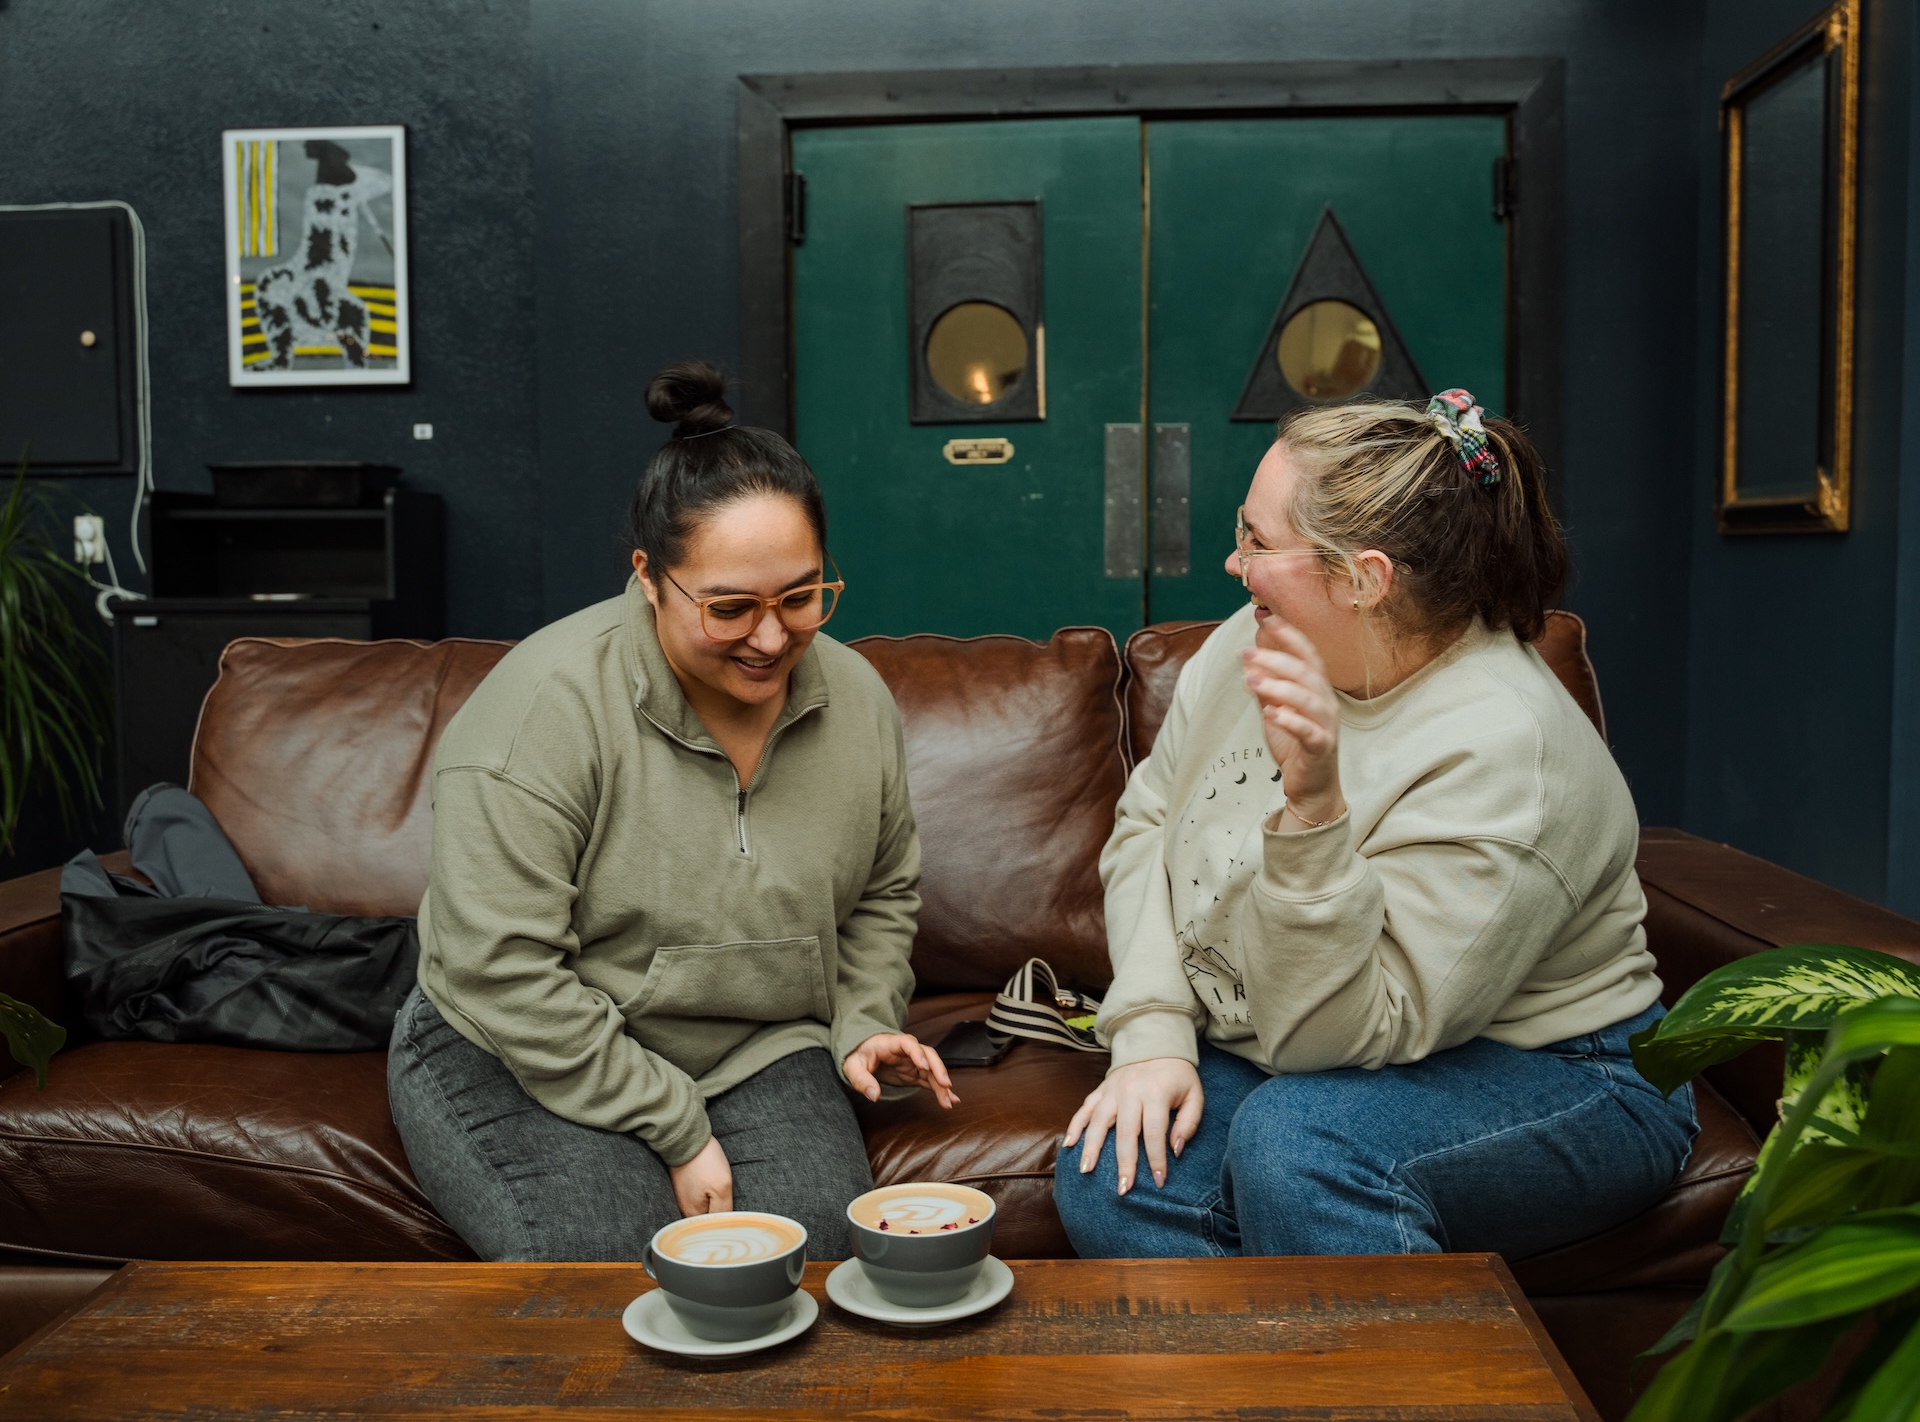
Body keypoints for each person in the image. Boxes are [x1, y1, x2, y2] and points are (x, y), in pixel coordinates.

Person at [1053, 390, 1695, 1261]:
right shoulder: (1253, 639)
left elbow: (1337, 1038)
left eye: (1258, 541)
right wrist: (1153, 1034)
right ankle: (1276, 1389)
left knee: (1304, 1144)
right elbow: (1148, 822)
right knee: (1116, 1168)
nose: (1233, 564)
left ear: (1362, 578)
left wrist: (1313, 809)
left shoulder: (1506, 752)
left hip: (1566, 1069)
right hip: (1293, 1043)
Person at [388, 361, 955, 1262]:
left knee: (816, 1274)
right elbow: (502, 971)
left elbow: (882, 895)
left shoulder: (858, 698)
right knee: (614, 1274)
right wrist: (676, 1127)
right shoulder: (542, 709)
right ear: (650, 577)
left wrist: (864, 1021)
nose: (772, 638)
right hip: (519, 1046)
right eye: (730, 607)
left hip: (758, 1045)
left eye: (802, 597)